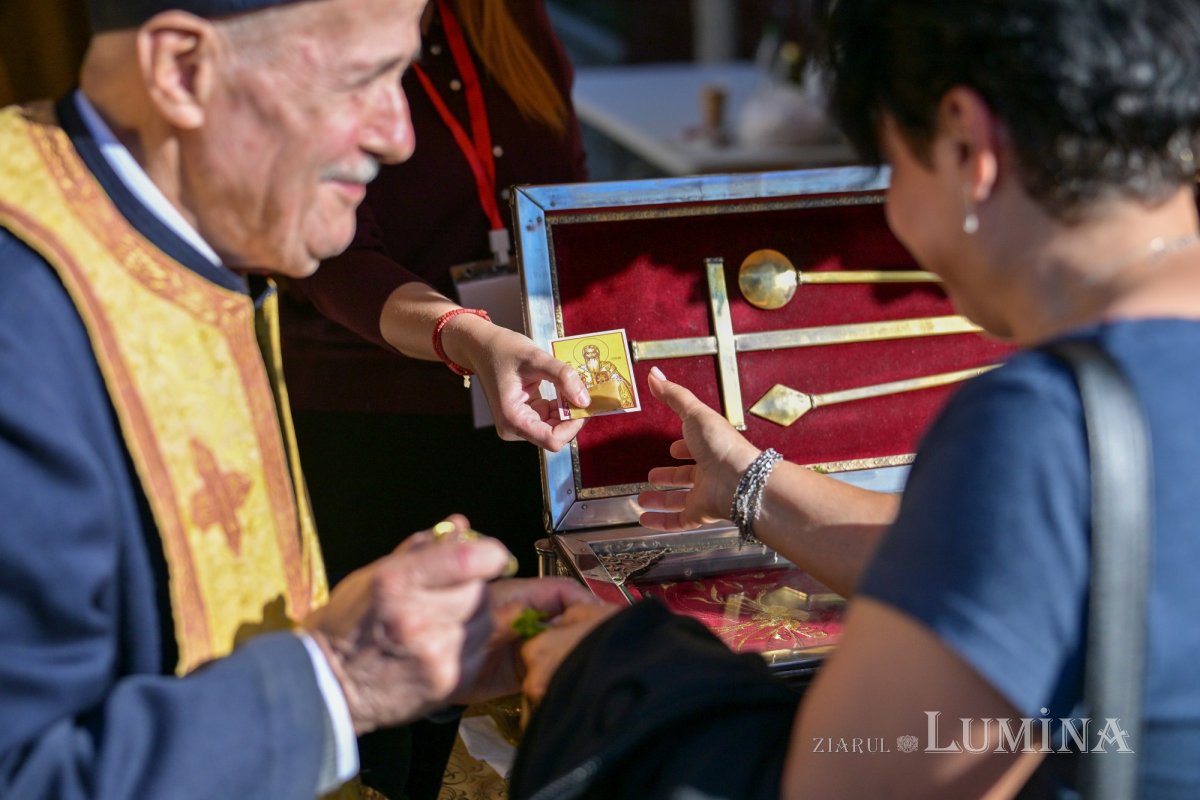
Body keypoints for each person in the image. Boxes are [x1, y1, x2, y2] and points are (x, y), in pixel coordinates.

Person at [510, 1, 1200, 798]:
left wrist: (606, 665)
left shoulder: (1046, 425)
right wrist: (748, 486)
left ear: (966, 143)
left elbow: (850, 781)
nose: (895, 217)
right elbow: (999, 568)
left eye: (894, 168)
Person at [0, 0, 594, 798]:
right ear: (182, 70)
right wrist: (339, 680)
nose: (398, 136)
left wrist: (391, 658)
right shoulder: (21, 316)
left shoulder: (187, 230)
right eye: (361, 79)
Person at [278, 0, 589, 586]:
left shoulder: (511, 18)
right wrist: (467, 335)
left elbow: (568, 194)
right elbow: (330, 261)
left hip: (533, 406)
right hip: (377, 428)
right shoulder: (317, 25)